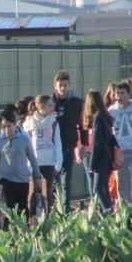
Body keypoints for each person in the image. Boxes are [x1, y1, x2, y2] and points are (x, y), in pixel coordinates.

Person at [0, 109, 42, 220]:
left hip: (22, 178)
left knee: (22, 206)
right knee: (8, 206)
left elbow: (32, 158)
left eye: (9, 126)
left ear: (15, 125)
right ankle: (6, 233)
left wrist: (37, 176)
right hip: (5, 177)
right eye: (3, 127)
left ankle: (24, 233)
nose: (6, 130)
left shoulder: (24, 138)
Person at [51, 71, 87, 211]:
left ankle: (64, 211)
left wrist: (83, 144)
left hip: (68, 145)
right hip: (52, 147)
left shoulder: (76, 102)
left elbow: (82, 125)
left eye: (65, 85)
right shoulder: (50, 103)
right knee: (54, 181)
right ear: (55, 86)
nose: (63, 88)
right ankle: (53, 209)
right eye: (60, 85)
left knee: (66, 180)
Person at [22, 95, 63, 216]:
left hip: (49, 162)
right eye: (50, 105)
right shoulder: (28, 123)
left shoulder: (54, 122)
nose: (53, 107)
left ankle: (47, 220)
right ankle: (30, 220)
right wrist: (27, 165)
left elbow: (57, 143)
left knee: (48, 194)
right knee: (32, 193)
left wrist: (58, 163)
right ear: (41, 107)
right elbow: (26, 146)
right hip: (34, 163)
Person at [83, 91, 117, 212]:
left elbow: (97, 143)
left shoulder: (97, 118)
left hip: (101, 158)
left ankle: (108, 211)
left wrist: (92, 164)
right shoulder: (105, 116)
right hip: (108, 158)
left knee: (97, 188)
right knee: (104, 187)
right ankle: (107, 210)